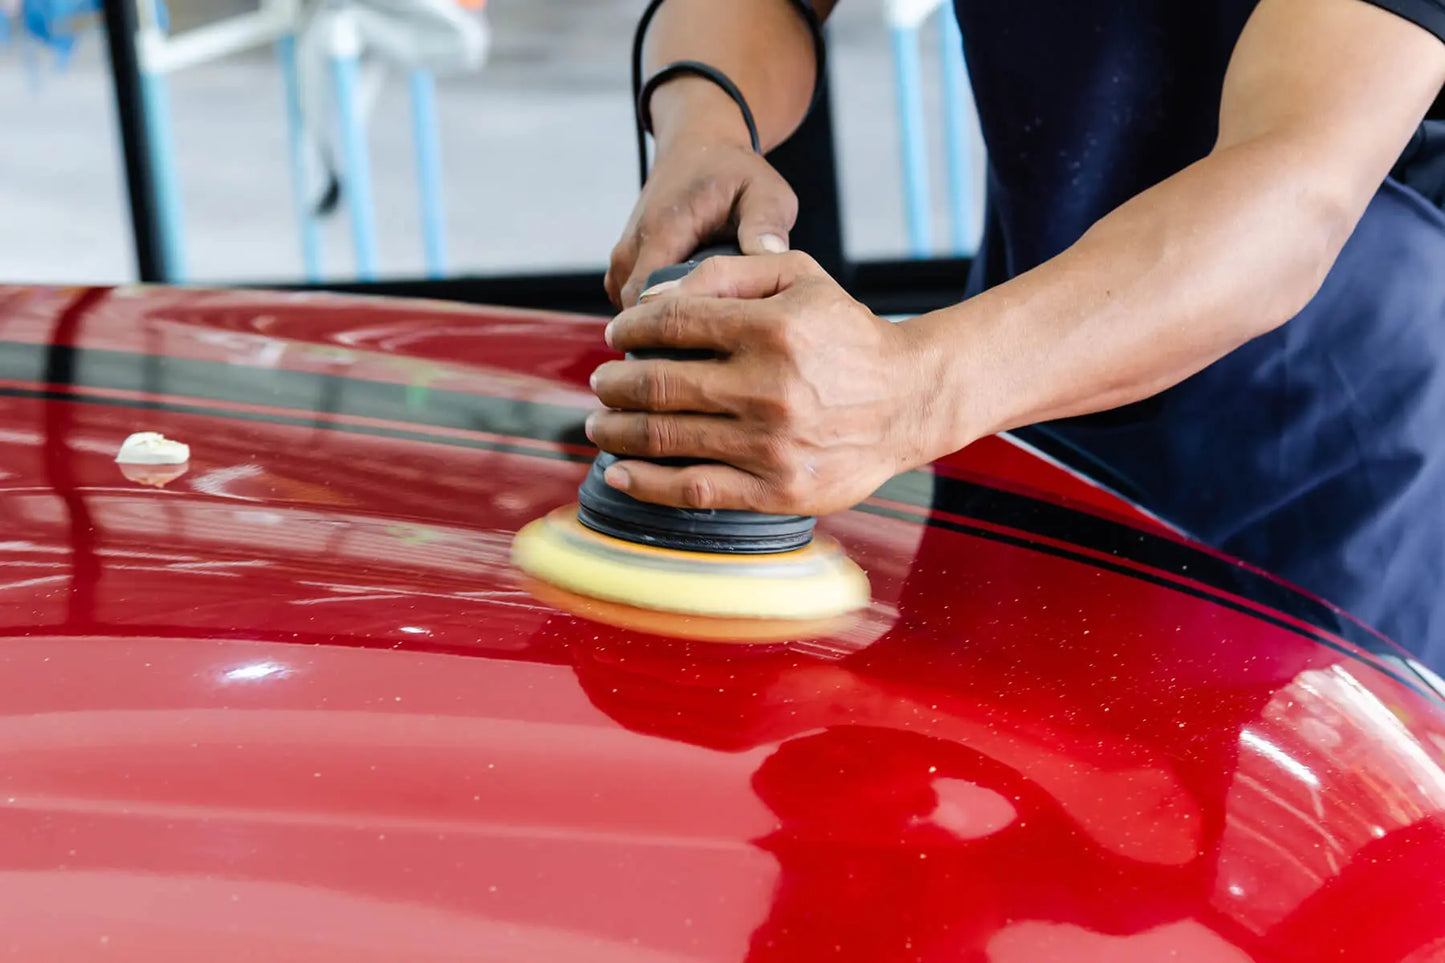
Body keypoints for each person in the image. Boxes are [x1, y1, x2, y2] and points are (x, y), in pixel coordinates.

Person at [583, 0, 1445, 670]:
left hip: (1335, 444)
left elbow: (1297, 186)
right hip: (1016, 386)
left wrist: (910, 389)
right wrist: (706, 130)